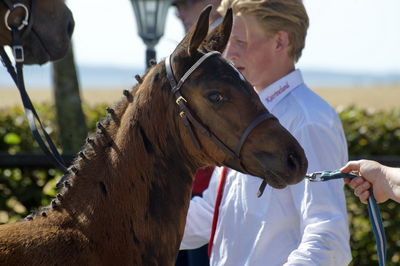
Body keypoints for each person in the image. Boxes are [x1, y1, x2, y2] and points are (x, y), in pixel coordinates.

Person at [180, 0, 352, 265]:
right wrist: (125, 216)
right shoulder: (246, 116)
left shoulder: (308, 120)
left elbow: (328, 237)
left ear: (280, 42)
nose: (229, 53)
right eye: (227, 41)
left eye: (240, 41)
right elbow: (208, 213)